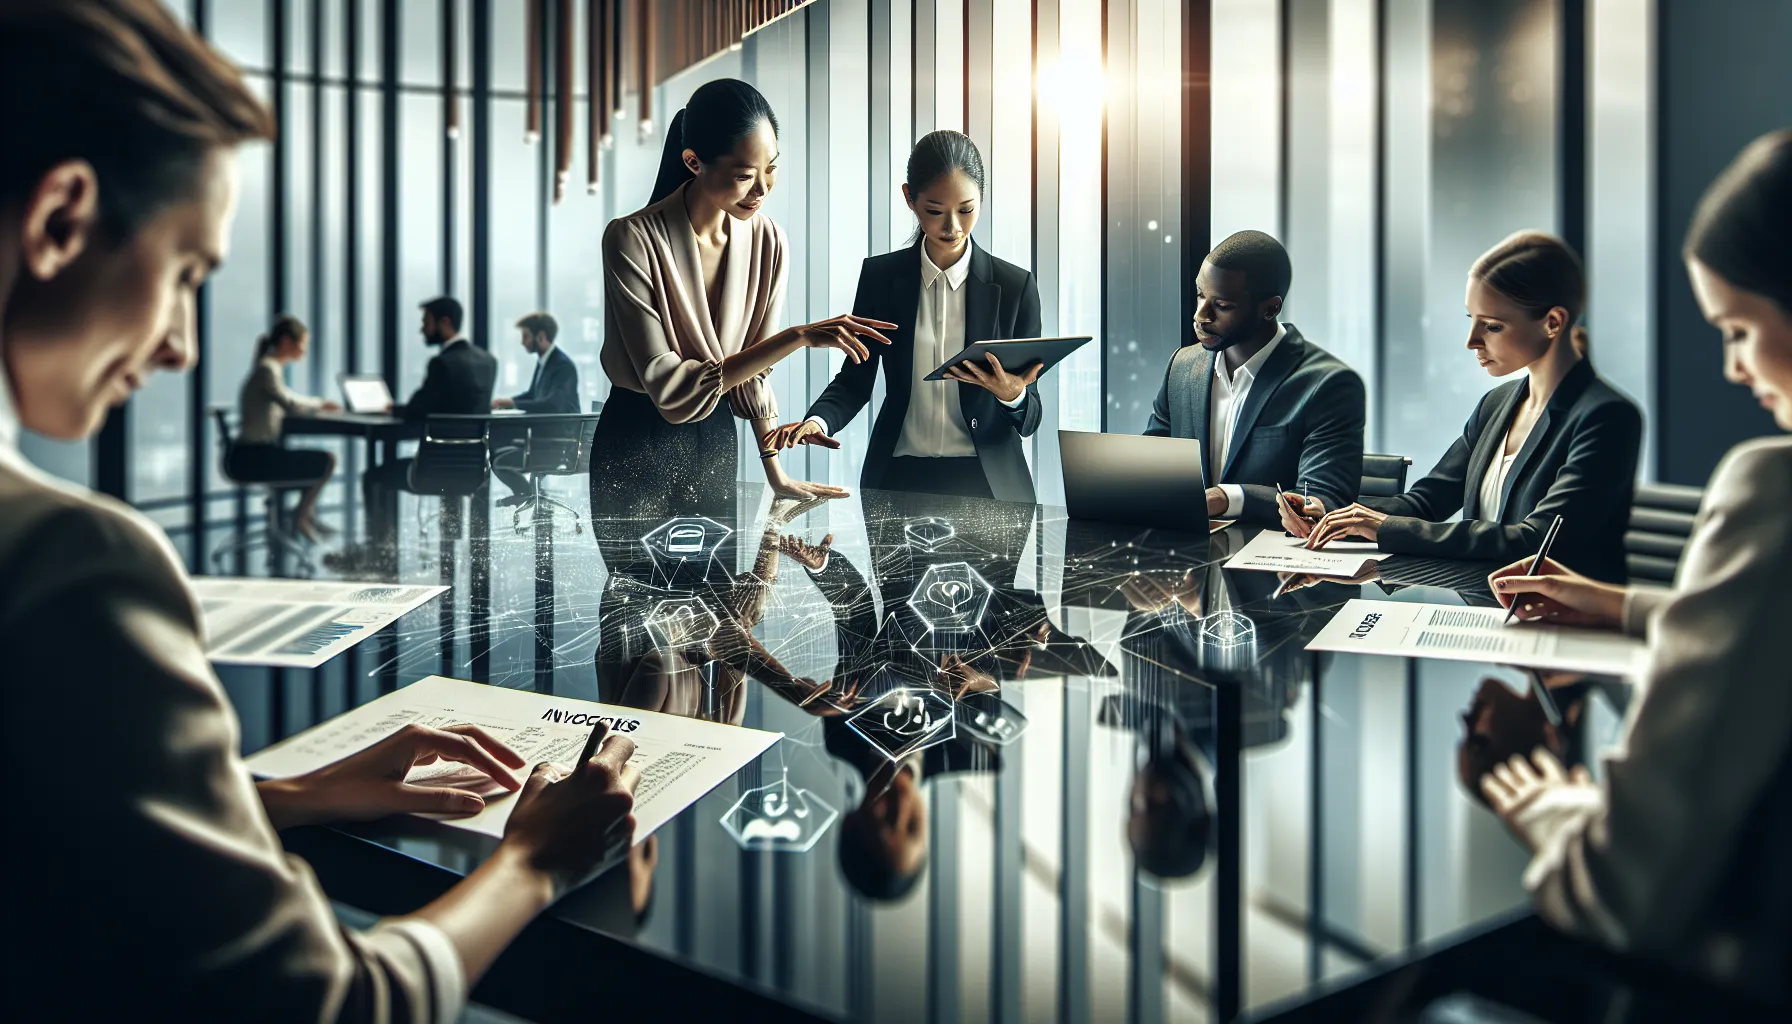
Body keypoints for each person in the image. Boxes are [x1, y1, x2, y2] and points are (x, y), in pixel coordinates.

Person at [0, 4, 639, 1018]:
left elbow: (42, 813)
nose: (180, 346)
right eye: (186, 275)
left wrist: (294, 792)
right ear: (60, 221)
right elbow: (335, 1006)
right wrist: (534, 861)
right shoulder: (67, 564)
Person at [1476, 131, 1792, 1001]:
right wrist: (1623, 605)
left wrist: (1541, 798)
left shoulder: (1775, 485)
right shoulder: (1499, 405)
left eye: (1738, 329)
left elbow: (1618, 893)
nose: (1732, 367)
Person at [594, 78, 892, 513]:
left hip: (716, 441)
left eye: (771, 168)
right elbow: (669, 388)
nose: (762, 190)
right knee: (636, 583)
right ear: (694, 162)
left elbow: (752, 372)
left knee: (725, 583)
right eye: (744, 176)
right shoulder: (631, 239)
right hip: (637, 440)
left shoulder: (769, 241)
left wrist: (775, 471)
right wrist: (799, 337)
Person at [1303, 232, 1642, 583]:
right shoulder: (1497, 403)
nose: (1472, 341)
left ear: (1553, 322)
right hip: (1480, 607)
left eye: (1492, 326)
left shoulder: (1607, 418)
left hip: (1556, 622)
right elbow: (1427, 501)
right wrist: (1336, 517)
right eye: (1471, 320)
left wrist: (1386, 529)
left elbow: (1538, 541)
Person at [763, 131, 1046, 503]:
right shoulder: (881, 279)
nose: (953, 227)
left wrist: (1014, 396)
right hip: (898, 479)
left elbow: (1031, 418)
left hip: (990, 488)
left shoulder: (1014, 288)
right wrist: (816, 421)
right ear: (909, 198)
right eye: (934, 210)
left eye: (966, 209)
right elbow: (855, 378)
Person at [1141, 230, 1366, 528]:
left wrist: (1229, 497)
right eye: (1200, 295)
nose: (1200, 315)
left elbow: (1323, 501)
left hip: (1274, 567)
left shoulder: (1329, 385)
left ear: (1270, 308)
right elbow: (1150, 465)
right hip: (1182, 559)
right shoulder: (1182, 367)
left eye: (1222, 306)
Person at [343, 294, 497, 560]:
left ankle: (378, 553)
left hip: (433, 469)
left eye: (426, 322)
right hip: (472, 470)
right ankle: (452, 548)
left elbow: (419, 408)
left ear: (444, 322)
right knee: (446, 474)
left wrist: (393, 409)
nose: (421, 329)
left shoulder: (442, 364)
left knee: (373, 478)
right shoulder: (487, 362)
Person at [232, 314, 340, 541]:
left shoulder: (267, 368)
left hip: (252, 454)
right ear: (286, 342)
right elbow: (288, 402)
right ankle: (301, 516)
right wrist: (320, 404)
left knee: (312, 463)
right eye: (302, 344)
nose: (304, 351)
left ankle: (303, 514)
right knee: (326, 461)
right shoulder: (267, 369)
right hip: (253, 458)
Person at [491, 311, 579, 504]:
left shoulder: (563, 366)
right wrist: (505, 403)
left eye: (525, 336)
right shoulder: (545, 363)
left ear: (541, 336)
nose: (523, 342)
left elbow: (554, 404)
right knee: (498, 449)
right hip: (545, 437)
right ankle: (528, 495)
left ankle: (526, 494)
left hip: (558, 443)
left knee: (499, 461)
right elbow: (533, 394)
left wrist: (512, 404)